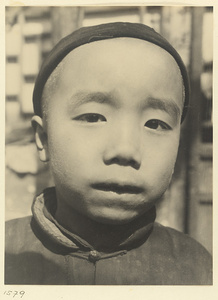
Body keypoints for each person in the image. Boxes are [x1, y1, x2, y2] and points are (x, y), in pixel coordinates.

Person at [5, 22, 212, 285]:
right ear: (43, 138)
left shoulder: (197, 269)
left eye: (155, 124)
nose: (125, 150)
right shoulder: (9, 253)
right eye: (93, 117)